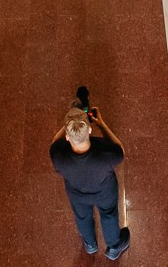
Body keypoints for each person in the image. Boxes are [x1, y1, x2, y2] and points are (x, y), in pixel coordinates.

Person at [50, 100, 132, 260]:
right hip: (104, 192)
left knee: (82, 217)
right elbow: (120, 149)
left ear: (67, 137)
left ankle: (90, 244)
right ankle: (114, 247)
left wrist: (69, 123)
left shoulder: (59, 156)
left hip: (77, 194)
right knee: (109, 214)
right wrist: (101, 124)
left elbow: (54, 142)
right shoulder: (105, 153)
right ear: (89, 129)